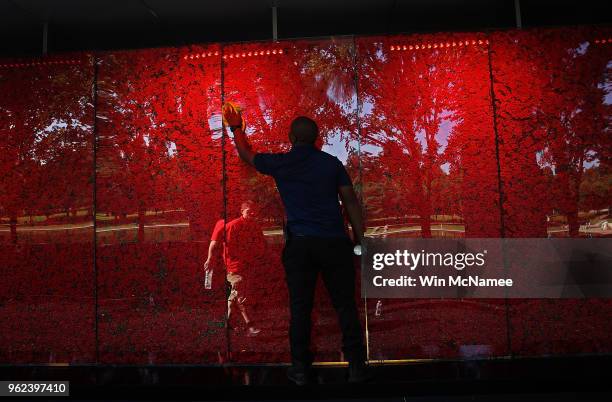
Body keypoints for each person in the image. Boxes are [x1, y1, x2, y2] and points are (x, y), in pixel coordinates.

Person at [223, 106, 373, 385]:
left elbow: (246, 156)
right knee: (345, 307)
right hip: (335, 244)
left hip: (301, 246)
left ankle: (301, 369)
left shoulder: (283, 163)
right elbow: (350, 202)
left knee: (300, 308)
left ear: (291, 137)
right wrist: (360, 240)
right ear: (316, 138)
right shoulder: (332, 164)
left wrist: (236, 128)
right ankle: (356, 368)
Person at [205, 202, 265, 337]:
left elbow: (258, 244)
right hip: (235, 267)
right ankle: (250, 326)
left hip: (246, 265)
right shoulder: (226, 224)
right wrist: (210, 259)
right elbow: (214, 243)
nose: (252, 214)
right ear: (241, 211)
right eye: (249, 211)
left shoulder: (251, 225)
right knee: (240, 296)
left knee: (234, 295)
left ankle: (228, 323)